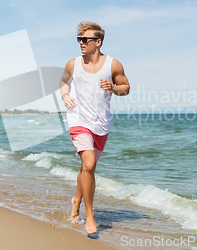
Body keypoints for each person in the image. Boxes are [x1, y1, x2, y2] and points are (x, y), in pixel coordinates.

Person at [60, 21, 130, 234]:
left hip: (101, 124)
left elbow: (126, 88)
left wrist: (114, 87)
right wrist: (65, 95)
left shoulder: (113, 65)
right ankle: (90, 216)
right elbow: (64, 81)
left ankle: (76, 201)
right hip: (78, 120)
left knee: (86, 168)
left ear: (97, 42)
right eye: (79, 39)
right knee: (89, 164)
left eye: (85, 39)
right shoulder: (73, 64)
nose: (81, 43)